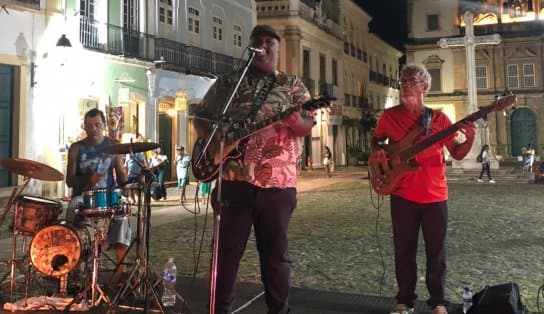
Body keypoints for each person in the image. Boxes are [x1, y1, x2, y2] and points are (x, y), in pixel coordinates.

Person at [191, 24, 317, 314]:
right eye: (258, 42)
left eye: (269, 43)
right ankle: (218, 309)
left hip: (277, 184)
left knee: (275, 257)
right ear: (250, 48)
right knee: (225, 255)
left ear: (277, 50)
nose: (264, 46)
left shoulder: (292, 85)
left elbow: (308, 126)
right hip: (233, 181)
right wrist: (214, 146)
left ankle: (279, 310)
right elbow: (201, 117)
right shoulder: (228, 83)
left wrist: (293, 120)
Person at [369, 64, 475, 314]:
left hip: (435, 195)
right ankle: (404, 300)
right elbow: (375, 140)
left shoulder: (439, 119)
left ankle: (437, 301)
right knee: (403, 249)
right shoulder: (389, 116)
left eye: (412, 81)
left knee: (436, 251)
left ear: (425, 87)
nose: (405, 85)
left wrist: (469, 138)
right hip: (401, 192)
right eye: (403, 81)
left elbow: (457, 154)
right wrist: (378, 154)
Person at [66, 108, 130, 275]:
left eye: (97, 125)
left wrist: (131, 179)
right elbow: (69, 180)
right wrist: (89, 179)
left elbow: (122, 178)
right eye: (89, 125)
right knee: (72, 207)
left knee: (123, 214)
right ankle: (73, 263)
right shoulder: (76, 148)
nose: (93, 129)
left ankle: (121, 271)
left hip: (108, 196)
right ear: (84, 127)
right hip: (83, 197)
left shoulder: (113, 147)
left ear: (104, 126)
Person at [124, 135, 145, 204]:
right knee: (130, 188)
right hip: (130, 174)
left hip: (137, 174)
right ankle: (132, 199)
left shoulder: (139, 153)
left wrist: (142, 175)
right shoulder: (128, 154)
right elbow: (126, 166)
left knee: (135, 189)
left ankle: (136, 200)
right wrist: (126, 175)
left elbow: (142, 163)